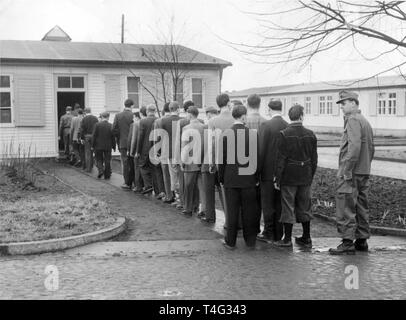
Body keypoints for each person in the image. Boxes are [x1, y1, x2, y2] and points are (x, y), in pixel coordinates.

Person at [329, 90, 375, 255]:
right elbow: (371, 148)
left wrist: (346, 170)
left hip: (351, 172)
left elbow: (354, 148)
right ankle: (361, 241)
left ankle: (347, 242)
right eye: (341, 103)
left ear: (354, 102)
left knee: (346, 204)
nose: (341, 106)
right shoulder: (364, 121)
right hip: (362, 171)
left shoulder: (353, 120)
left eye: (344, 102)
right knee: (361, 206)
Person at [274, 104, 318, 248]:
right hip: (305, 176)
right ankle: (306, 237)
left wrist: (277, 178)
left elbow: (280, 160)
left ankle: (287, 239)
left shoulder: (284, 134)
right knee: (305, 206)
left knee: (288, 206)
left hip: (289, 177)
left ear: (290, 117)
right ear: (301, 116)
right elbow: (314, 159)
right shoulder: (311, 134)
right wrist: (310, 175)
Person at [218, 104, 260, 250]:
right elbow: (256, 158)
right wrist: (256, 177)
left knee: (232, 211)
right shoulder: (253, 134)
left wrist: (222, 177)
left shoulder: (226, 133)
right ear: (243, 117)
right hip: (248, 178)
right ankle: (250, 240)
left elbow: (221, 159)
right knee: (249, 211)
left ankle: (230, 241)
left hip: (231, 179)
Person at [257, 99, 288, 242]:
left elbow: (261, 150)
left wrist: (257, 172)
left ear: (269, 110)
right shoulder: (287, 126)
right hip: (282, 173)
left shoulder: (266, 126)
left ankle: (268, 231)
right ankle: (278, 232)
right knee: (279, 203)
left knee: (267, 203)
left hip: (267, 172)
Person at [208, 93, 235, 229]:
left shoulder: (213, 121)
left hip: (220, 161)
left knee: (223, 192)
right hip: (239, 160)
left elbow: (211, 145)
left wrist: (212, 163)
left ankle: (229, 220)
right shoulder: (235, 118)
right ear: (228, 103)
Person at [180, 106, 205, 216]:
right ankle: (198, 207)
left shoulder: (186, 128)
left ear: (189, 114)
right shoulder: (204, 127)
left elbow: (185, 147)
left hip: (190, 161)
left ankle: (188, 208)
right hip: (202, 160)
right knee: (200, 186)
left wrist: (183, 161)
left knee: (189, 186)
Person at [200, 106, 220, 223]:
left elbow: (202, 147)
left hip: (208, 163)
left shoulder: (206, 127)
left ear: (208, 114)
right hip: (221, 163)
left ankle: (210, 216)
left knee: (208, 192)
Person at [135, 104, 161, 195]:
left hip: (145, 149)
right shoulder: (159, 120)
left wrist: (138, 151)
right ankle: (158, 191)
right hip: (157, 148)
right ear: (154, 111)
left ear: (147, 111)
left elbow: (140, 137)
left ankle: (148, 185)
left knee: (143, 166)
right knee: (155, 169)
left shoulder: (143, 121)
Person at [160, 101, 182, 203]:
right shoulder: (183, 120)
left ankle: (176, 197)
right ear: (178, 109)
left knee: (173, 175)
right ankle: (181, 197)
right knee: (181, 176)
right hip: (181, 151)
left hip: (170, 151)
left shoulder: (163, 121)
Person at [113, 98, 134, 189]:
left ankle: (127, 182)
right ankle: (134, 182)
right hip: (133, 142)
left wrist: (118, 139)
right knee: (133, 163)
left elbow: (114, 129)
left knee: (125, 163)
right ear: (132, 106)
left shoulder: (118, 115)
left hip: (122, 142)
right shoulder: (133, 115)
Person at [154, 102, 172, 201]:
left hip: (164, 150)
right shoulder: (180, 119)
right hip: (176, 152)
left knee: (165, 173)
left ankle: (168, 195)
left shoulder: (159, 121)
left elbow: (158, 137)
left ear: (164, 110)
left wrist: (157, 151)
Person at [92, 112, 116, 179]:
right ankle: (107, 175)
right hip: (108, 146)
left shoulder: (97, 125)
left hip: (98, 145)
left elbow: (94, 136)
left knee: (99, 159)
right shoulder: (111, 125)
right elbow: (113, 137)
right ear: (108, 117)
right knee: (107, 160)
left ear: (102, 117)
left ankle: (100, 171)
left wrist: (92, 145)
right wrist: (114, 146)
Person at [80, 107, 99, 172]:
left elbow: (82, 129)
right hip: (94, 136)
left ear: (85, 112)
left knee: (88, 153)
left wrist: (82, 138)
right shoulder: (95, 118)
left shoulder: (84, 119)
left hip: (87, 137)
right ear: (90, 111)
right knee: (95, 152)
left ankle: (89, 168)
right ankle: (98, 167)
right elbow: (97, 128)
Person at [129, 111, 144, 193]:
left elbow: (133, 139)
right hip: (147, 150)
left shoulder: (136, 124)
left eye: (133, 117)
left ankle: (138, 186)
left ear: (137, 117)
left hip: (137, 150)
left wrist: (132, 151)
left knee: (137, 168)